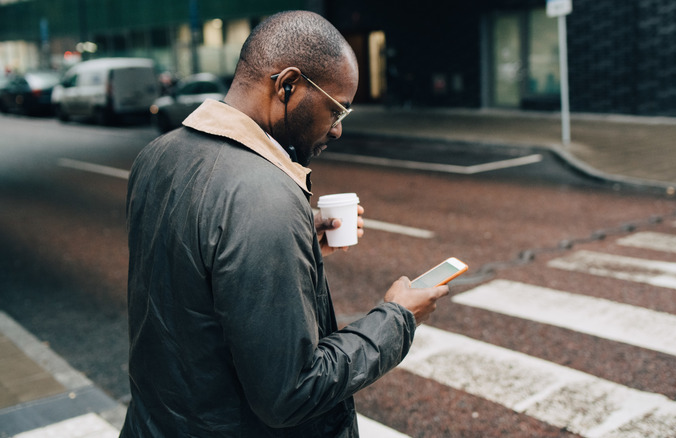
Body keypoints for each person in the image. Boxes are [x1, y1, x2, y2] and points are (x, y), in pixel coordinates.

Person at [120, 10, 449, 438]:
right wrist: (398, 319)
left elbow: (192, 273)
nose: (337, 131)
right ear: (287, 85)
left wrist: (300, 239)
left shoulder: (157, 155)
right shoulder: (265, 195)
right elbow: (291, 392)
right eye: (337, 110)